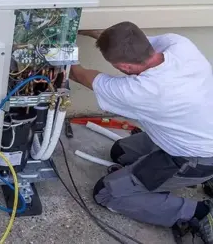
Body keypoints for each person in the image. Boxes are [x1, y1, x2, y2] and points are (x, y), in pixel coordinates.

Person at [70, 21, 213, 243]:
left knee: (106, 193)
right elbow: (125, 42)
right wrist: (76, 29)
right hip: (194, 132)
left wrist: (53, 52)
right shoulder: (178, 44)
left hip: (194, 158)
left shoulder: (143, 90)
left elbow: (79, 75)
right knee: (120, 152)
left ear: (125, 67)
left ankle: (197, 212)